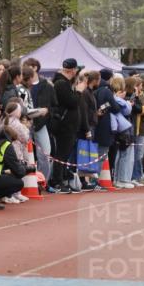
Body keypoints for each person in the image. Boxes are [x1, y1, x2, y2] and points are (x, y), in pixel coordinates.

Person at [52, 58, 87, 193]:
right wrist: (78, 91)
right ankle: (57, 181)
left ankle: (63, 179)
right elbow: (72, 102)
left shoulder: (64, 83)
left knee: (64, 154)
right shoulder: (61, 83)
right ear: (73, 71)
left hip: (69, 125)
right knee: (61, 154)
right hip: (64, 125)